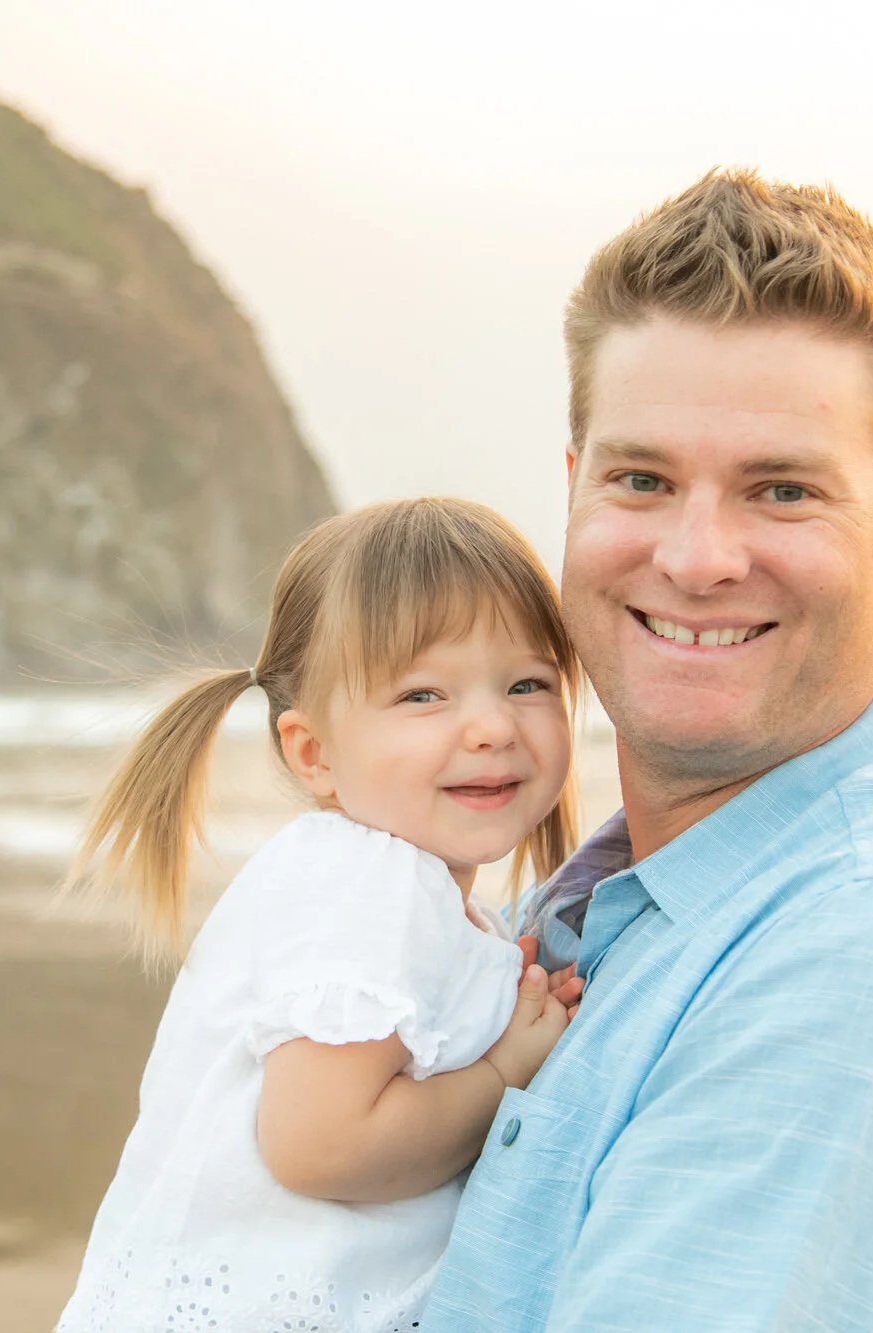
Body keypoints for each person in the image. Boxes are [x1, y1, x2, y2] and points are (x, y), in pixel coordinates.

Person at [422, 171, 873, 1330]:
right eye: (640, 479)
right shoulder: (608, 906)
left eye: (779, 491)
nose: (696, 558)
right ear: (574, 489)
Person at [54, 497, 587, 1333]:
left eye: (527, 683)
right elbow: (322, 1144)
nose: (490, 725)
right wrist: (502, 1075)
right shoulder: (370, 887)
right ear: (314, 752)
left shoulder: (409, 895)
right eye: (422, 695)